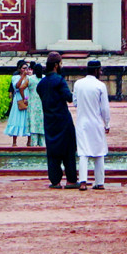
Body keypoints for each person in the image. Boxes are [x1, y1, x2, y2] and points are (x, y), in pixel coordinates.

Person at [38, 53, 79, 188]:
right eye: (61, 64)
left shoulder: (42, 84)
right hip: (63, 120)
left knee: (52, 151)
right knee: (68, 150)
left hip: (49, 121)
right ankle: (71, 180)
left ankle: (55, 181)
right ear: (56, 65)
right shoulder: (59, 80)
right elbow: (68, 97)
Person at [74, 58, 113, 189]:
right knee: (99, 151)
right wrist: (107, 123)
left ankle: (83, 182)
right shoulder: (100, 86)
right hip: (96, 122)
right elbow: (104, 108)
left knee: (83, 152)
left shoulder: (78, 84)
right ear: (97, 71)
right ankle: (100, 182)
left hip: (82, 123)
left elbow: (75, 102)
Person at [5, 59, 36, 147]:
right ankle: (14, 142)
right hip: (18, 99)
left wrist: (29, 76)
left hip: (27, 98)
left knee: (28, 119)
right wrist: (22, 76)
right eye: (24, 68)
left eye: (27, 68)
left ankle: (29, 141)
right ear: (20, 69)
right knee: (16, 119)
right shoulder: (15, 77)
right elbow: (17, 86)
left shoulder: (30, 77)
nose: (26, 70)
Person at [26, 61, 47, 145]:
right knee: (42, 122)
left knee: (33, 121)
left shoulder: (30, 79)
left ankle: (33, 144)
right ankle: (43, 144)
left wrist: (25, 97)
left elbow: (21, 87)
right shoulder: (45, 78)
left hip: (33, 103)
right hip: (43, 102)